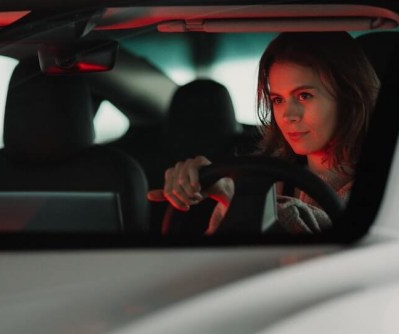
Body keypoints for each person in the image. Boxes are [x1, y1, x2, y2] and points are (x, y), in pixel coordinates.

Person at [147, 31, 380, 235]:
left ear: (349, 95)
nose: (288, 115)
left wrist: (238, 198)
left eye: (304, 96)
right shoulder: (267, 175)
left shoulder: (391, 182)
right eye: (277, 99)